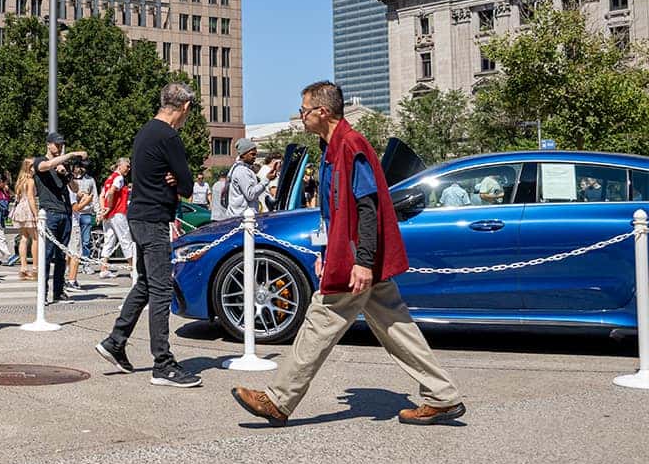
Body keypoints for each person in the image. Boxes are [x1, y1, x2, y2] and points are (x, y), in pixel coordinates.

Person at [231, 80, 465, 427]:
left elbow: (367, 206)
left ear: (322, 112)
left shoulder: (350, 145)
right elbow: (333, 208)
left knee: (320, 320)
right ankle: (442, 396)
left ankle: (279, 400)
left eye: (304, 110)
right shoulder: (333, 146)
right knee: (396, 326)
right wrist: (328, 250)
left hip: (358, 258)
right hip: (352, 255)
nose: (301, 117)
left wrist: (363, 262)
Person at [96, 83, 198, 387]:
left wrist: (173, 177)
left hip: (138, 215)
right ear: (185, 108)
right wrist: (176, 178)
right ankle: (163, 364)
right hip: (154, 218)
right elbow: (188, 184)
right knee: (161, 289)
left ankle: (116, 341)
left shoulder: (145, 132)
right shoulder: (169, 136)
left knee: (145, 284)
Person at [33, 133, 87, 304]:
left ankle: (58, 291)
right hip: (49, 212)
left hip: (65, 212)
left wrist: (67, 174)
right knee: (47, 254)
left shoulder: (62, 165)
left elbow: (75, 188)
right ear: (49, 145)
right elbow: (45, 166)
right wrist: (70, 155)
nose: (59, 148)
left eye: (61, 145)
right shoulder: (40, 161)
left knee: (61, 255)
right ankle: (43, 293)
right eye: (56, 145)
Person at [98, 158, 135, 280]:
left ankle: (103, 268)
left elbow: (102, 195)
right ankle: (132, 267)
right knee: (125, 238)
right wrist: (109, 207)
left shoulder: (109, 178)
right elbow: (111, 192)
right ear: (120, 166)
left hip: (109, 215)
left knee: (109, 239)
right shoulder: (119, 178)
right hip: (118, 213)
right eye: (127, 166)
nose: (129, 169)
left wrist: (103, 209)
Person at [66, 161, 99, 289]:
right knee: (74, 249)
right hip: (76, 215)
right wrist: (86, 201)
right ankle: (71, 279)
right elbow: (76, 207)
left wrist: (96, 210)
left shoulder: (89, 180)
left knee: (84, 241)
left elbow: (94, 195)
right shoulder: (69, 186)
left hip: (84, 214)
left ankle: (84, 265)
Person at [225, 138, 277, 218]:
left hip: (241, 216)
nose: (255, 157)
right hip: (243, 218)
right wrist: (267, 180)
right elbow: (251, 195)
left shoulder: (241, 168)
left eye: (255, 154)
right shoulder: (242, 171)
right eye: (252, 154)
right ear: (243, 154)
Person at [10, 158, 39, 279]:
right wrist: (36, 214)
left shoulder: (20, 181)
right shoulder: (30, 181)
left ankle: (23, 267)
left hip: (20, 209)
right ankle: (35, 267)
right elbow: (31, 198)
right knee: (35, 238)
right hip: (28, 209)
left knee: (23, 238)